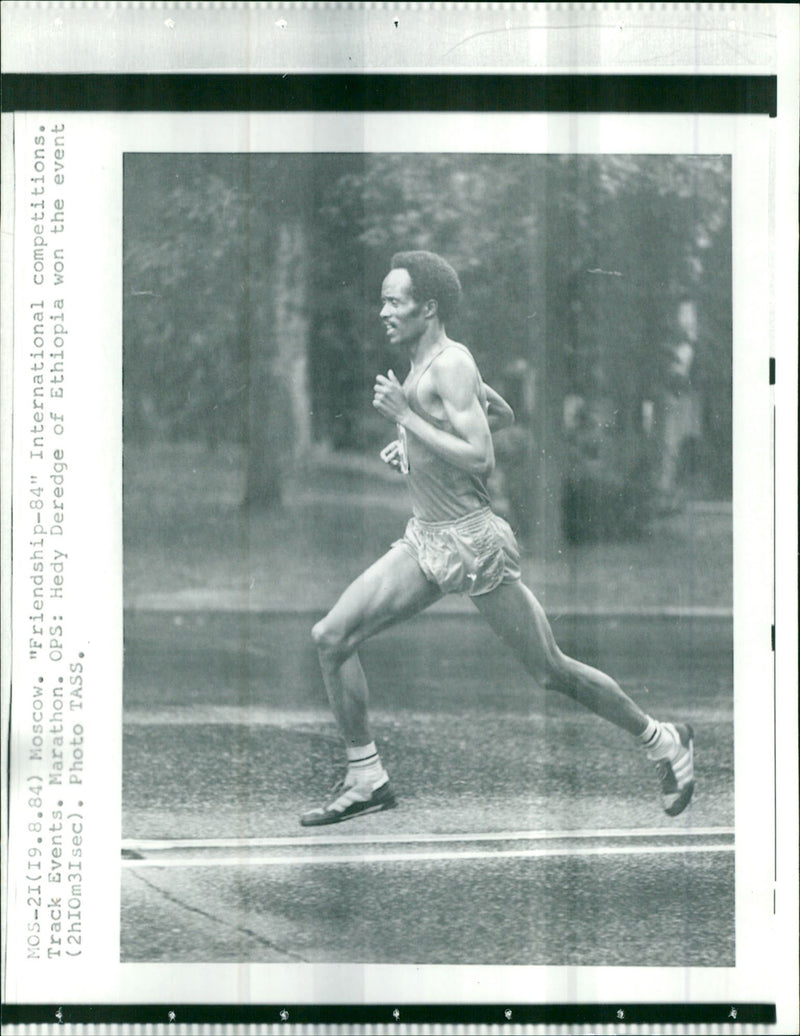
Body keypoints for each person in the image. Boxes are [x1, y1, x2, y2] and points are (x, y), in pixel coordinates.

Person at [300, 251, 694, 826]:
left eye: (394, 300)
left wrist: (407, 421)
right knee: (332, 637)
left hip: (472, 544)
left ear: (427, 307)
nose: (383, 311)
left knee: (549, 670)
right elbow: (499, 414)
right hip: (426, 541)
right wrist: (415, 445)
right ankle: (367, 777)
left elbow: (482, 455)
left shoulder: (449, 365)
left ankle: (664, 741)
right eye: (383, 299)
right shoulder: (426, 363)